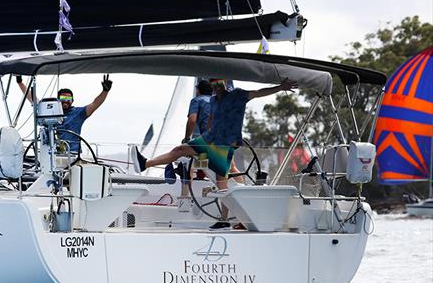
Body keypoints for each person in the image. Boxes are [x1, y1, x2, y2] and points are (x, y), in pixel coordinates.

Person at [132, 77, 297, 227]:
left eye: (218, 82)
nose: (216, 86)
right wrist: (201, 142)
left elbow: (259, 93)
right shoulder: (212, 100)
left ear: (224, 82)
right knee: (180, 150)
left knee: (221, 181)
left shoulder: (237, 95)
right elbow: (211, 118)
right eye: (213, 83)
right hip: (208, 140)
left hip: (225, 144)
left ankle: (225, 220)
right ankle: (145, 163)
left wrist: (281, 87)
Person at [16, 75, 112, 154]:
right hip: (51, 154)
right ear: (57, 100)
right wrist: (20, 82)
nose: (65, 101)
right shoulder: (48, 109)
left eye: (68, 99)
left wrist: (105, 91)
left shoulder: (78, 113)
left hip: (73, 154)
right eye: (62, 98)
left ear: (72, 101)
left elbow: (95, 104)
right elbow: (32, 98)